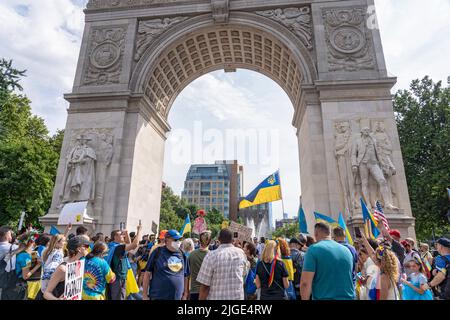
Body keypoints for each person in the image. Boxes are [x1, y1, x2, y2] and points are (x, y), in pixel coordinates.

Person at [300, 223, 355, 300]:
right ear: (329, 233)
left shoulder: (313, 249)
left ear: (316, 233)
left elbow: (305, 283)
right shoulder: (347, 250)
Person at [197, 229, 249, 300]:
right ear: (232, 239)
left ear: (219, 239)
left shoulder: (211, 256)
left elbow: (205, 286)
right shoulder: (241, 253)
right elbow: (244, 274)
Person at [142, 230, 189, 300]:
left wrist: (185, 295)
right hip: (158, 297)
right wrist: (144, 295)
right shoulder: (157, 252)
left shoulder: (182, 254)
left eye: (179, 240)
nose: (178, 242)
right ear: (167, 241)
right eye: (175, 240)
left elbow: (185, 276)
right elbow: (147, 273)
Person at [44, 236, 90, 300]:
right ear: (79, 249)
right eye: (86, 246)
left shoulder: (80, 264)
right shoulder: (63, 268)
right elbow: (46, 293)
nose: (88, 248)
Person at [106, 223, 142, 300]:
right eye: (121, 234)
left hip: (118, 277)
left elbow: (128, 244)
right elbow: (134, 245)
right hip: (118, 278)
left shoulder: (113, 245)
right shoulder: (117, 247)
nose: (123, 236)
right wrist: (139, 230)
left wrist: (127, 233)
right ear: (115, 237)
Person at [361, 234, 400, 300]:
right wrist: (364, 239)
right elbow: (372, 253)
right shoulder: (387, 272)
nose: (373, 259)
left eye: (375, 259)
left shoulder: (383, 278)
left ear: (381, 262)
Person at [14, 231, 42, 300]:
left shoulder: (18, 251)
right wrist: (38, 265)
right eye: (34, 241)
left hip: (13, 282)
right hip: (19, 286)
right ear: (30, 242)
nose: (35, 244)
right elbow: (25, 276)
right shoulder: (25, 256)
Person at [187, 231, 212, 300]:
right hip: (208, 291)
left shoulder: (192, 254)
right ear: (210, 242)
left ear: (199, 241)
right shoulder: (212, 255)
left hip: (194, 290)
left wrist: (186, 291)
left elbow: (187, 275)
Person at [0, 226, 19, 300]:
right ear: (6, 235)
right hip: (8, 275)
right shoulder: (12, 247)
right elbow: (27, 247)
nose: (12, 235)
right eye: (10, 234)